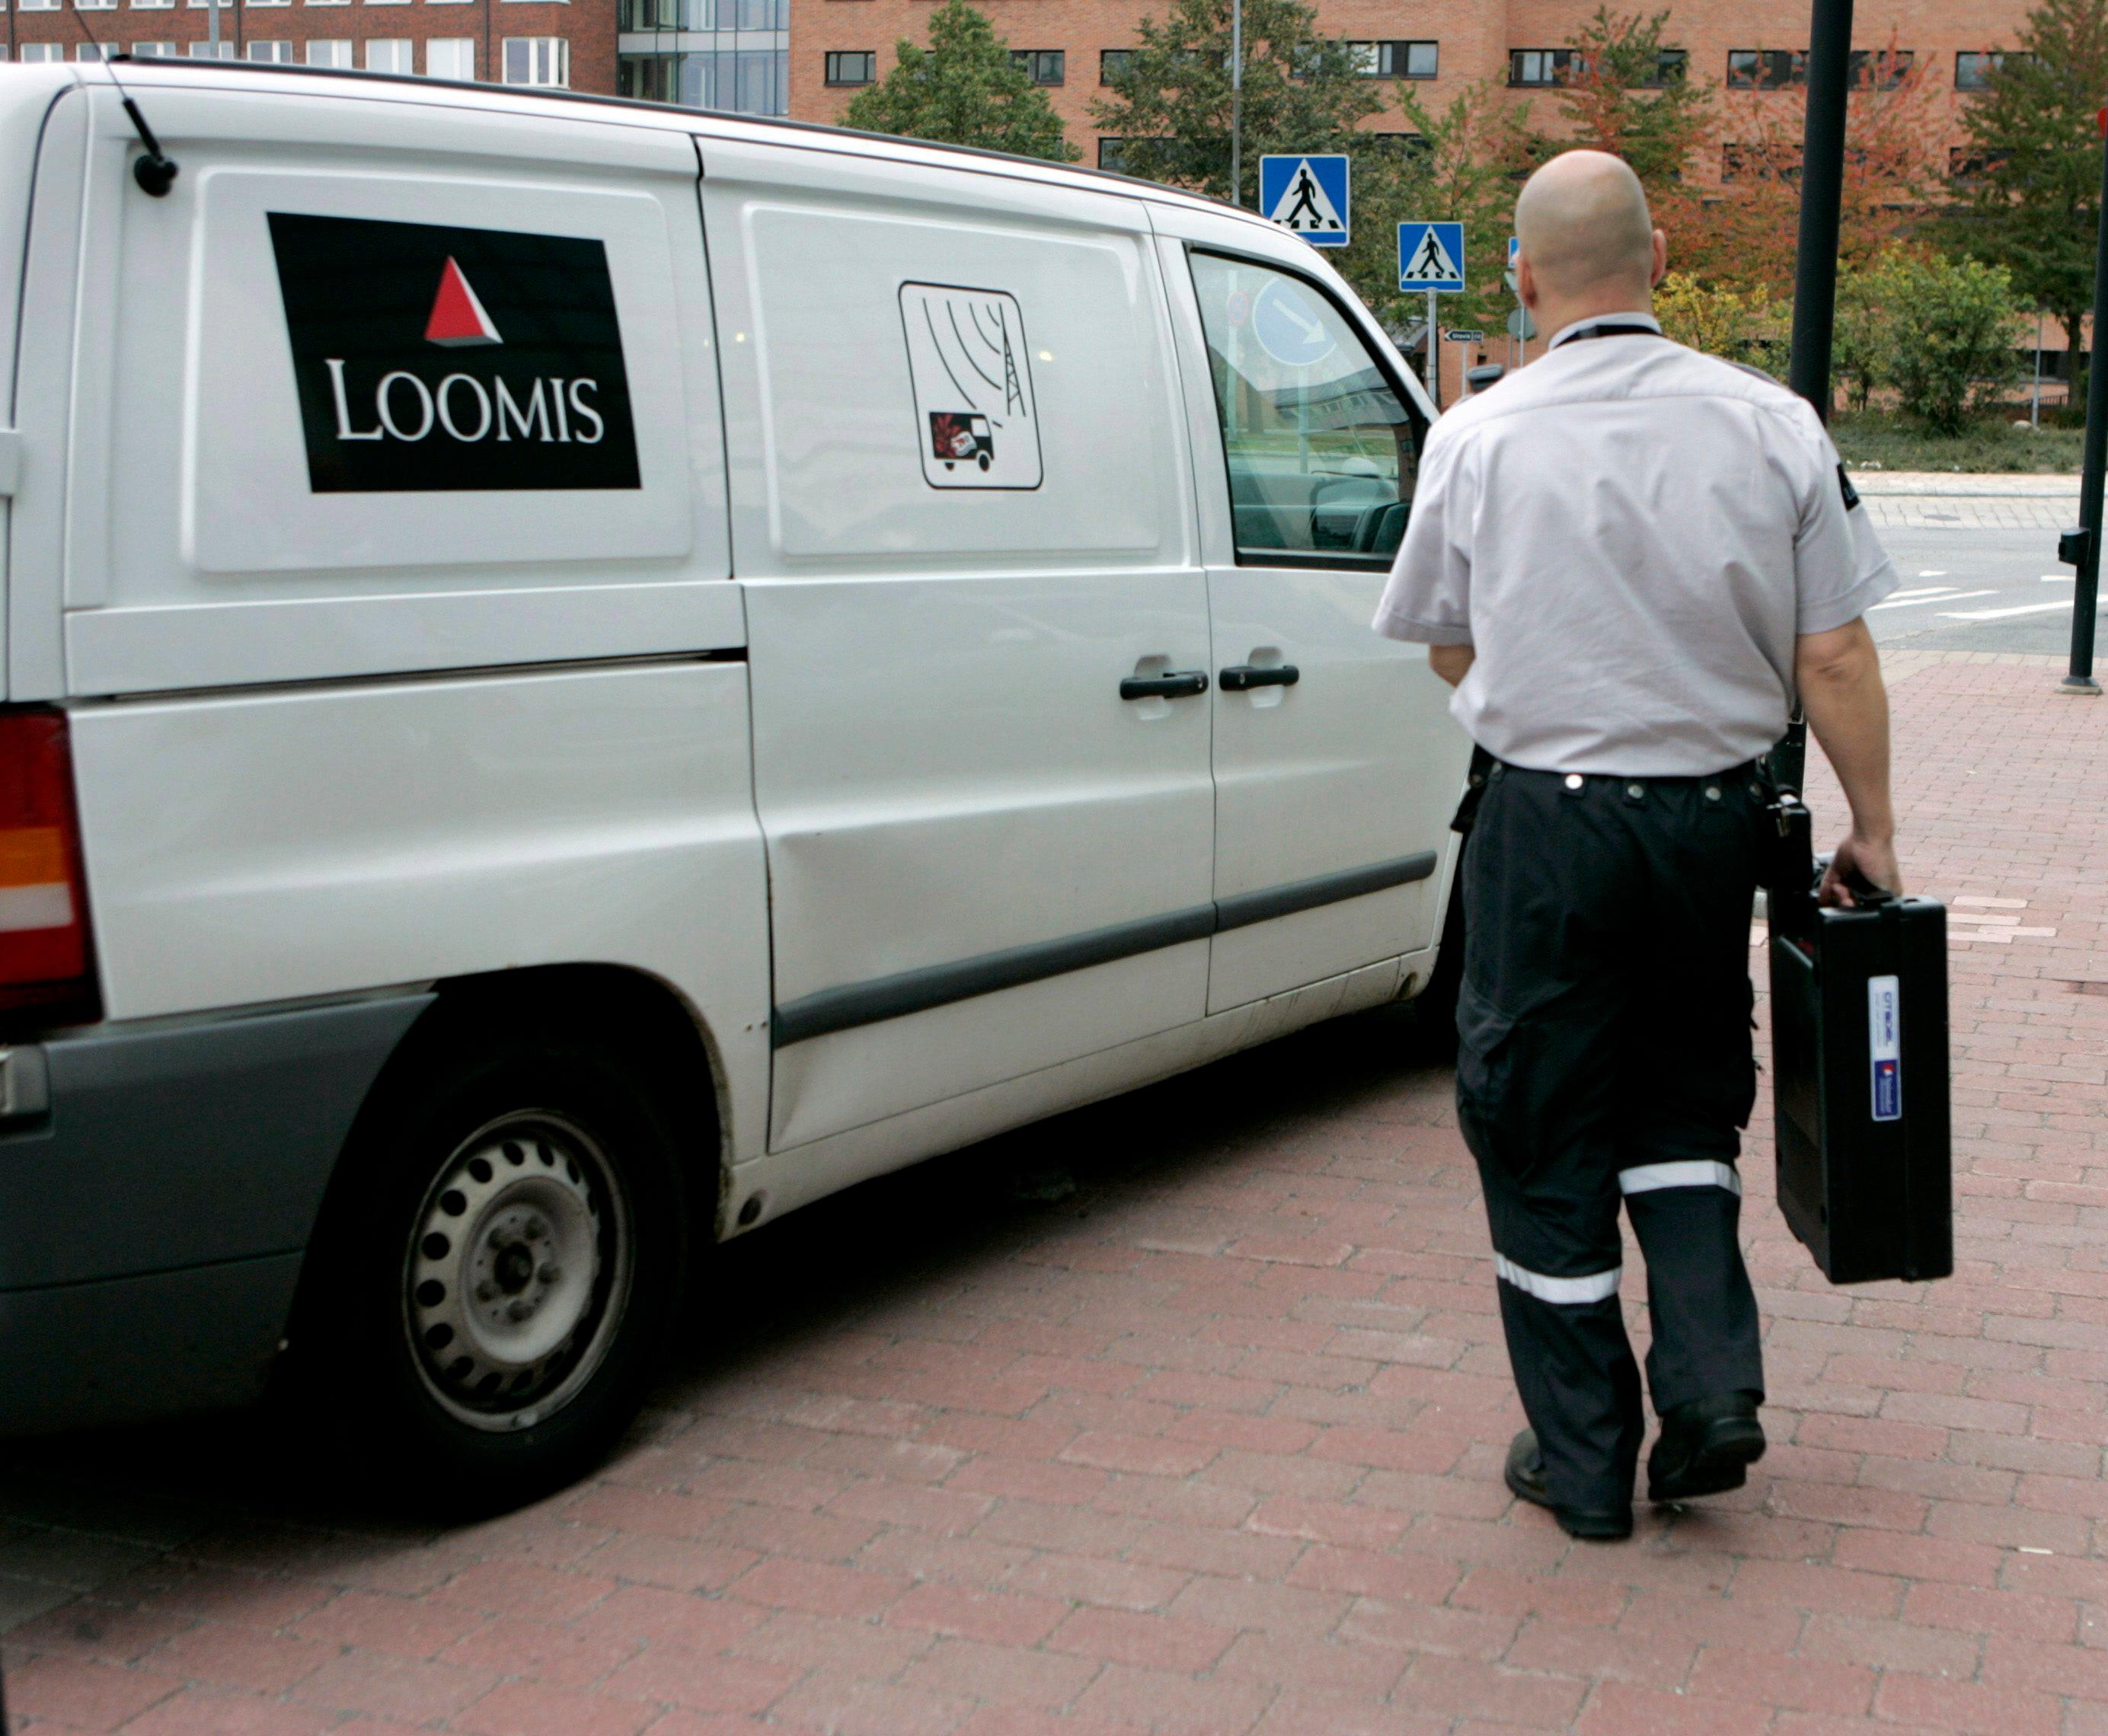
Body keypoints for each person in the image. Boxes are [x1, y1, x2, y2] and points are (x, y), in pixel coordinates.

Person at [1372, 150, 1900, 1541]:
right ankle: (1714, 1391)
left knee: (1541, 1120)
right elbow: (1835, 650)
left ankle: (1587, 1462)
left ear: (1524, 279)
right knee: (1680, 1102)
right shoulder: (1771, 422)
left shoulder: (1478, 436)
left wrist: (1553, 685)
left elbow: (1444, 644)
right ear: (1660, 262)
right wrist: (1878, 830)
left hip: (1548, 825)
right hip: (1714, 827)